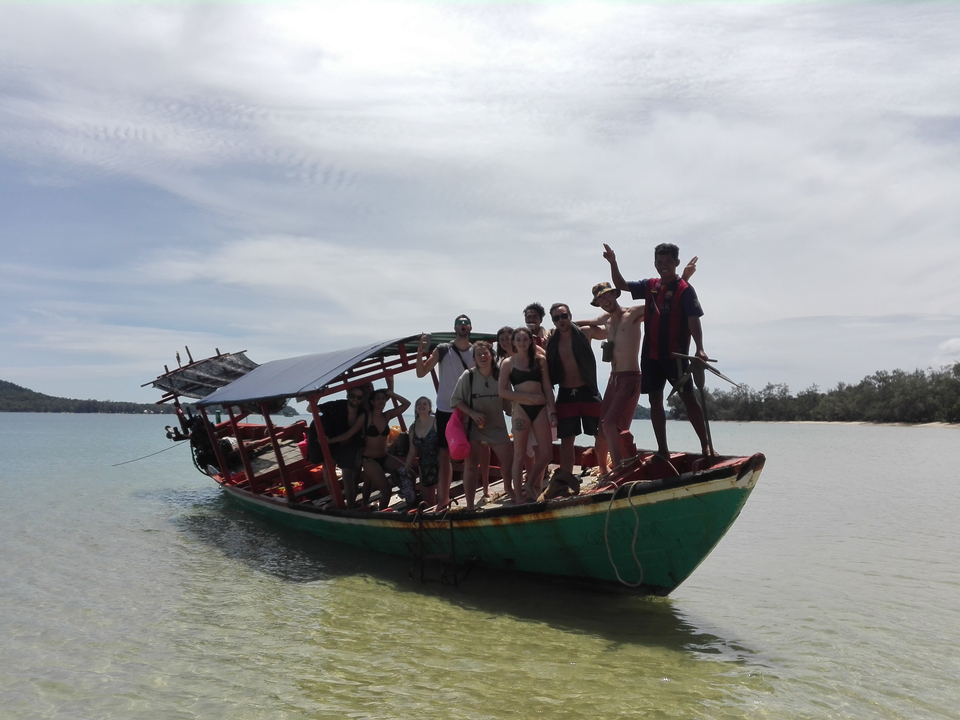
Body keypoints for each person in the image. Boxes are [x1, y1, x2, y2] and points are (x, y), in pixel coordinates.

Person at [604, 243, 710, 457]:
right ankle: (663, 450)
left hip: (676, 356)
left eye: (668, 262)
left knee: (688, 397)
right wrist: (613, 262)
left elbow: (693, 319)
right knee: (655, 401)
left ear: (676, 263)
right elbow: (621, 284)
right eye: (659, 262)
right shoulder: (650, 285)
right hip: (651, 356)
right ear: (655, 263)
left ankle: (705, 446)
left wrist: (699, 348)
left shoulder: (685, 290)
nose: (663, 266)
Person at [578, 282, 646, 469]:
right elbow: (587, 323)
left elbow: (660, 305)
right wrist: (559, 327)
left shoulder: (633, 313)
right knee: (601, 431)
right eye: (600, 298)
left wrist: (684, 280)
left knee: (610, 425)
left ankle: (617, 470)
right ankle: (602, 470)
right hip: (613, 378)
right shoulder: (606, 319)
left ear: (615, 294)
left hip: (630, 377)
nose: (605, 300)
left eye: (607, 295)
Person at [416, 314, 475, 510]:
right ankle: (443, 500)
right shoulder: (443, 350)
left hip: (468, 410)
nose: (463, 325)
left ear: (470, 327)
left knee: (471, 455)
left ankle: (471, 500)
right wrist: (420, 351)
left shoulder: (477, 351)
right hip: (445, 409)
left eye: (466, 322)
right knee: (444, 455)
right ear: (455, 328)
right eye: (460, 323)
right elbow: (421, 372)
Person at [545, 303, 609, 476]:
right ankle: (566, 476)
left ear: (570, 315)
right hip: (566, 394)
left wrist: (581, 323)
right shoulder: (552, 341)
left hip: (588, 390)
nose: (561, 320)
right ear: (553, 321)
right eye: (556, 318)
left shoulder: (585, 333)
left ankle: (603, 469)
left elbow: (608, 327)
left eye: (564, 316)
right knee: (567, 440)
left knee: (601, 434)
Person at [450, 341, 515, 510]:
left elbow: (509, 406)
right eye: (479, 354)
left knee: (509, 460)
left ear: (492, 356)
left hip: (497, 426)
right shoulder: (468, 376)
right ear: (474, 358)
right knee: (471, 466)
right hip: (473, 428)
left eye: (486, 353)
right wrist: (472, 413)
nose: (483, 356)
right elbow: (455, 400)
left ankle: (509, 489)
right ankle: (470, 507)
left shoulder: (501, 375)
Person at [498, 326, 556, 501]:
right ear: (513, 343)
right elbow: (502, 391)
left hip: (540, 409)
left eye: (525, 339)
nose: (522, 343)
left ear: (531, 340)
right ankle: (518, 498)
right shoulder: (508, 363)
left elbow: (547, 387)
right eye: (518, 340)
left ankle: (530, 483)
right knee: (519, 455)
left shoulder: (540, 360)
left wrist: (552, 411)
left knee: (546, 453)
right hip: (521, 410)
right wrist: (527, 397)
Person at [306, 387, 367, 508]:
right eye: (352, 396)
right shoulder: (336, 405)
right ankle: (336, 500)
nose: (355, 399)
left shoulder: (362, 413)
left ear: (361, 399)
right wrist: (318, 396)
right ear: (348, 396)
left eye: (359, 397)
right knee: (328, 470)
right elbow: (310, 409)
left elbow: (349, 434)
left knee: (348, 476)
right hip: (332, 444)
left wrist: (328, 441)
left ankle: (350, 506)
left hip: (347, 443)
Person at [360, 378, 412, 510]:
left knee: (410, 474)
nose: (381, 400)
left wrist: (391, 392)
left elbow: (406, 404)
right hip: (369, 459)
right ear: (372, 401)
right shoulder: (364, 415)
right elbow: (349, 433)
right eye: (378, 398)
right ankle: (377, 514)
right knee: (385, 490)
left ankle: (411, 499)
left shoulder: (386, 415)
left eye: (384, 398)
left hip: (385, 456)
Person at [404, 397, 440, 507]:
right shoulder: (413, 428)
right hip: (424, 466)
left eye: (425, 403)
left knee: (442, 499)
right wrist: (404, 469)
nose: (421, 405)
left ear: (429, 408)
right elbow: (412, 451)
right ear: (415, 409)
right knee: (429, 503)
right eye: (418, 404)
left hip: (440, 463)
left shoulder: (436, 421)